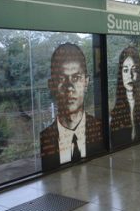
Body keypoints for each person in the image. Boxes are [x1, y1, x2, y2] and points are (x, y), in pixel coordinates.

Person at [40, 43, 104, 171]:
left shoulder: (100, 128)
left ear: (86, 82)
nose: (69, 88)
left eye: (76, 78)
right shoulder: (45, 137)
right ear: (51, 85)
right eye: (62, 79)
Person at [110, 46, 140, 148]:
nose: (130, 75)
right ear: (121, 73)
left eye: (134, 70)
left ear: (139, 73)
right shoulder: (116, 109)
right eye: (125, 70)